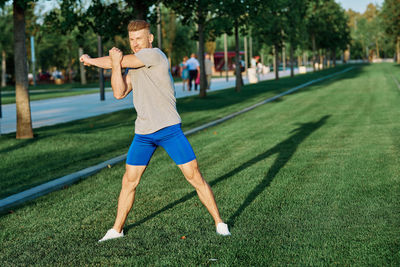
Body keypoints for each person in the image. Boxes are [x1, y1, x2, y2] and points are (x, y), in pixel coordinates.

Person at [79, 20, 231, 242]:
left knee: (194, 176)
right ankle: (116, 230)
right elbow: (119, 92)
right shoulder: (132, 65)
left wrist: (92, 60)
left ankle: (219, 222)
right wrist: (115, 64)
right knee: (129, 181)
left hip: (169, 129)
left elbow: (122, 61)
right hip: (143, 134)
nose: (135, 43)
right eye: (132, 40)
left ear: (150, 38)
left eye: (139, 38)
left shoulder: (155, 54)